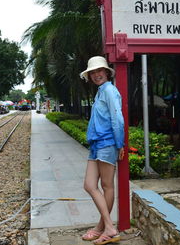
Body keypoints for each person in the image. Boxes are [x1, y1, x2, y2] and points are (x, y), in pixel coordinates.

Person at [79, 56, 124, 245]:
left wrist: (120, 144)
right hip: (96, 145)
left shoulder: (110, 91)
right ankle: (104, 227)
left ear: (106, 72)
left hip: (106, 143)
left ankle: (108, 228)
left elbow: (117, 119)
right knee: (89, 185)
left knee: (107, 186)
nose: (97, 74)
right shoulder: (100, 92)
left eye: (100, 71)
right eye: (93, 72)